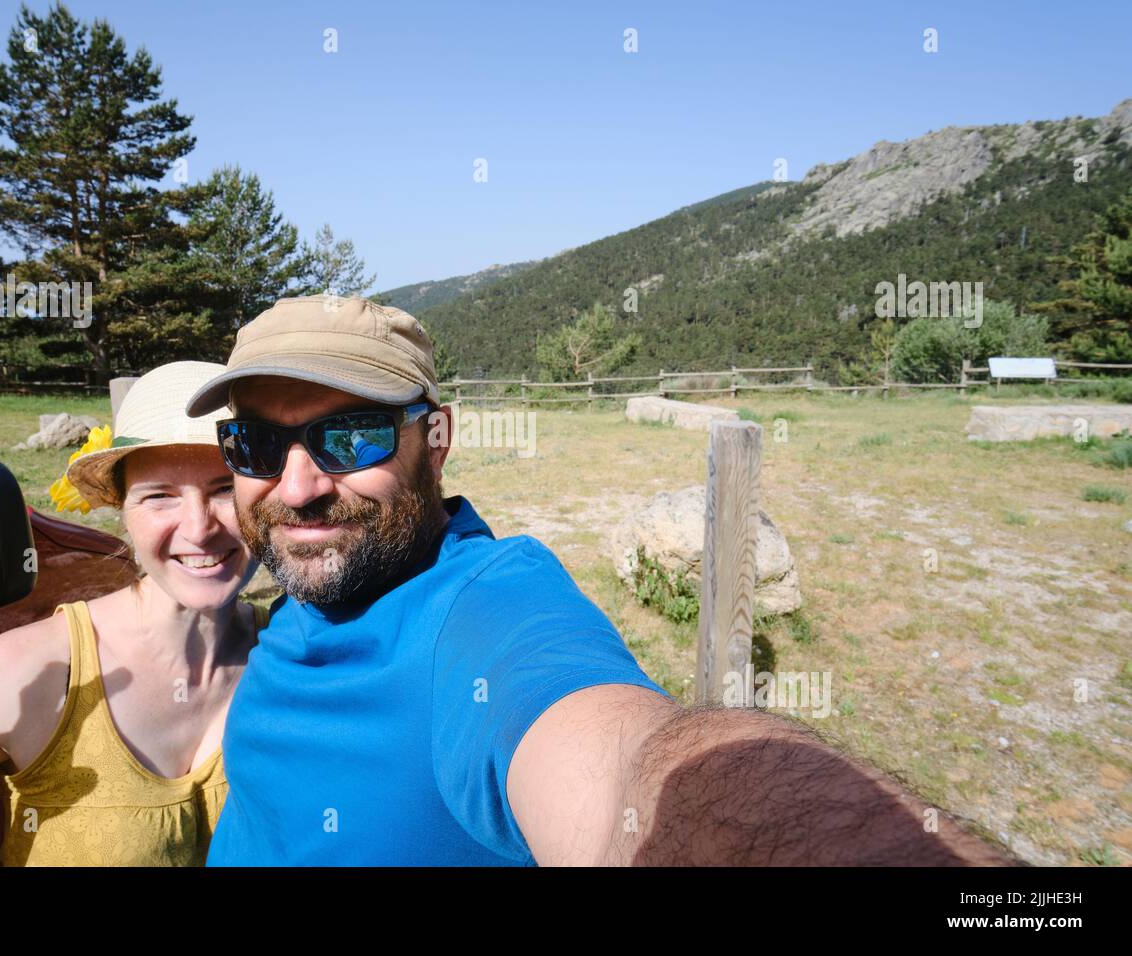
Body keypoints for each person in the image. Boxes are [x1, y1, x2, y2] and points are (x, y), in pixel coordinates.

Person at [188, 295, 1010, 866]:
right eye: (255, 446)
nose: (294, 488)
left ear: (434, 440)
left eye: (352, 436)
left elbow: (632, 767)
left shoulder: (484, 608)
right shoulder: (302, 593)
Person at [0, 362, 261, 866]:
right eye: (159, 496)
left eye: (225, 488)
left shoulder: (293, 654)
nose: (199, 528)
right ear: (120, 507)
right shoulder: (29, 668)